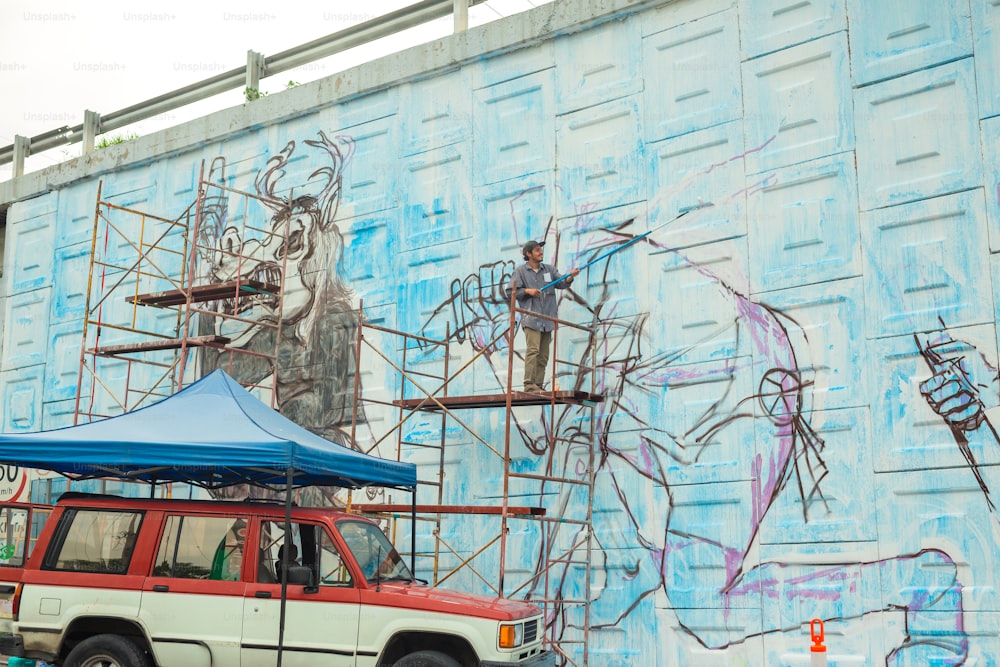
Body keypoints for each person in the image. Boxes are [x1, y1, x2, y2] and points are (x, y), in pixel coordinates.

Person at [508, 240, 579, 392]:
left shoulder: (549, 270)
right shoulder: (520, 271)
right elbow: (511, 292)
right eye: (537, 250)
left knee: (544, 354)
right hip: (531, 318)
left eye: (541, 250)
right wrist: (528, 291)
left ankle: (538, 385)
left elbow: (562, 282)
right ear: (528, 254)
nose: (541, 252)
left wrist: (570, 277)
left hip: (547, 319)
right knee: (533, 350)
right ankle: (529, 384)